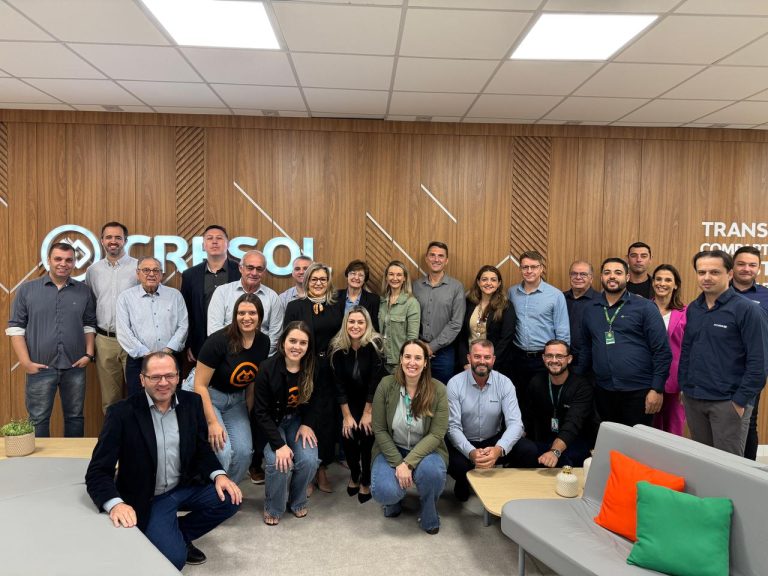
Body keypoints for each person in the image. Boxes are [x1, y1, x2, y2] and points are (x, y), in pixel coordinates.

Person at [85, 352, 241, 570]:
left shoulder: (192, 403)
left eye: (169, 376)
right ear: (142, 380)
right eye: (155, 377)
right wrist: (115, 505)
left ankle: (178, 533)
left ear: (178, 377)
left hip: (184, 486)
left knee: (231, 497)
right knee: (174, 560)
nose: (163, 383)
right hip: (150, 497)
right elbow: (98, 471)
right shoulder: (121, 414)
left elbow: (201, 449)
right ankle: (168, 535)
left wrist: (219, 475)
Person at [679, 250, 767, 456]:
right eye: (702, 272)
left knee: (728, 466)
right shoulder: (694, 308)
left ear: (729, 274)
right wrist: (684, 386)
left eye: (714, 272)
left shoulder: (748, 310)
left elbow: (759, 362)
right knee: (703, 461)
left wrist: (740, 401)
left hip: (728, 403)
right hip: (694, 398)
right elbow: (687, 350)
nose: (707, 277)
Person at [7, 242, 96, 437]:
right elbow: (15, 329)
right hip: (40, 367)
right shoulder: (27, 290)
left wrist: (89, 354)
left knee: (75, 417)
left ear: (74, 263)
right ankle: (40, 458)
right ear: (48, 260)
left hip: (75, 366)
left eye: (69, 260)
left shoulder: (84, 291)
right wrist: (26, 362)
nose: (63, 263)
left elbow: (89, 325)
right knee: (38, 419)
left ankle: (73, 456)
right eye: (58, 259)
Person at [576, 257, 671, 427]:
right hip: (603, 391)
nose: (612, 276)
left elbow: (662, 351)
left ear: (627, 277)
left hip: (639, 391)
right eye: (607, 272)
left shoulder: (645, 307)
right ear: (601, 277)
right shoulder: (590, 309)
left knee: (637, 441)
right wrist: (577, 380)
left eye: (618, 272)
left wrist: (657, 389)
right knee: (610, 438)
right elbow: (586, 348)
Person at [371, 339, 448, 535]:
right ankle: (394, 500)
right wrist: (399, 463)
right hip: (392, 448)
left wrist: (408, 463)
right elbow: (379, 429)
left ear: (425, 363)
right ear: (400, 359)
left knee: (432, 473)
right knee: (385, 492)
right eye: (407, 357)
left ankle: (429, 512)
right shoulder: (386, 385)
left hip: (427, 451)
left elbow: (437, 434)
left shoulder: (438, 389)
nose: (412, 362)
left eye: (418, 358)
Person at [192, 294, 270, 484]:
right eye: (241, 313)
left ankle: (228, 492)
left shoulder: (263, 342)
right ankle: (211, 494)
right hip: (210, 396)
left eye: (252, 313)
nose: (246, 317)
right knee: (223, 451)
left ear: (260, 316)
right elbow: (199, 385)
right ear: (235, 315)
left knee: (244, 453)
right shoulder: (218, 341)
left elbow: (252, 381)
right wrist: (212, 422)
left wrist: (250, 415)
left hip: (236, 400)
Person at [446, 339, 536, 502]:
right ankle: (463, 480)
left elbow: (516, 424)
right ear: (469, 358)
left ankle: (506, 481)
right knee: (456, 464)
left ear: (493, 360)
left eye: (487, 357)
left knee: (528, 450)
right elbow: (453, 428)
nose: (482, 361)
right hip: (466, 440)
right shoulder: (454, 384)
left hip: (493, 440)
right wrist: (471, 452)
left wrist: (498, 449)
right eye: (477, 356)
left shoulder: (505, 383)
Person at [284, 262, 344, 493]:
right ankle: (306, 472)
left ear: (328, 282)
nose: (318, 283)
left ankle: (322, 469)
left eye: (323, 279)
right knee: (306, 417)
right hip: (303, 369)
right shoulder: (295, 306)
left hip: (329, 369)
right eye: (314, 279)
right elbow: (288, 339)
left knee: (327, 420)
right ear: (306, 280)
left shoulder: (337, 306)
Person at [252, 322, 320, 525]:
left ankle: (297, 501)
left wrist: (307, 424)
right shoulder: (267, 368)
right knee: (279, 462)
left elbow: (318, 400)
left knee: (309, 460)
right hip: (271, 424)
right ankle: (273, 507)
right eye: (292, 341)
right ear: (283, 343)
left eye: (303, 343)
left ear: (308, 346)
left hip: (297, 421)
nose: (297, 347)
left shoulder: (313, 367)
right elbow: (260, 412)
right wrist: (279, 444)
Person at [329, 306, 387, 504]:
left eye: (360, 322)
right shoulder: (337, 347)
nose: (355, 326)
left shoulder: (375, 345)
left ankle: (366, 479)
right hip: (348, 400)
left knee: (366, 434)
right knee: (348, 435)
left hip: (371, 399)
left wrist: (368, 412)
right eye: (351, 321)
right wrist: (347, 416)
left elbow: (375, 381)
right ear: (346, 324)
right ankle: (354, 474)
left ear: (367, 324)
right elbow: (338, 384)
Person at [507, 250, 570, 421]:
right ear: (520, 269)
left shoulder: (555, 295)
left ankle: (542, 434)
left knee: (543, 402)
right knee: (519, 399)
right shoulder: (512, 293)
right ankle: (521, 432)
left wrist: (560, 359)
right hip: (517, 357)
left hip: (544, 358)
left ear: (541, 268)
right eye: (525, 267)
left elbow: (562, 330)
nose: (529, 271)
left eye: (534, 267)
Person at [85, 221, 138, 413]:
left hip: (134, 339)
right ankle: (113, 433)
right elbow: (90, 305)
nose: (113, 241)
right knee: (110, 400)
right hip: (105, 341)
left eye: (118, 237)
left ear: (125, 240)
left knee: (138, 396)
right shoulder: (93, 271)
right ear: (102, 241)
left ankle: (136, 433)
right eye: (108, 237)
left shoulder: (139, 267)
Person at [116, 256, 188, 397]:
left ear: (161, 275)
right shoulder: (125, 298)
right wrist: (146, 354)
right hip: (139, 361)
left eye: (156, 270)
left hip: (171, 358)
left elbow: (183, 326)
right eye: (146, 270)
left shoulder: (175, 295)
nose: (151, 274)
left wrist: (168, 350)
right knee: (138, 402)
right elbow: (124, 331)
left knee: (171, 400)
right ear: (138, 273)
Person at [527, 340, 595, 468]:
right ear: (543, 358)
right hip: (545, 440)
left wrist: (555, 451)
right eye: (549, 356)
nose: (554, 360)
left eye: (559, 356)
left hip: (573, 441)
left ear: (569, 359)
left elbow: (573, 423)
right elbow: (528, 417)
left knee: (565, 460)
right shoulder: (536, 382)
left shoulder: (582, 386)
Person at [180, 225, 241, 363]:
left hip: (236, 342)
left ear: (227, 244)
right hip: (201, 344)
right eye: (209, 238)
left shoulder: (241, 272)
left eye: (219, 238)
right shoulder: (190, 275)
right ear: (203, 245)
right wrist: (189, 344)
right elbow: (186, 313)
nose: (214, 242)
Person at [731, 245, 768, 460]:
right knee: (719, 419)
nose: (746, 269)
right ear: (732, 266)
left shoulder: (765, 296)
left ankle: (747, 470)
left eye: (752, 265)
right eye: (741, 264)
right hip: (718, 368)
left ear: (759, 268)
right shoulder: (719, 292)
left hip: (751, 369)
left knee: (749, 420)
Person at [207, 249, 284, 355]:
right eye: (250, 268)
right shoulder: (222, 292)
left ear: (264, 272)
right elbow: (214, 331)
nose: (254, 273)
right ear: (241, 268)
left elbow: (275, 337)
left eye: (259, 269)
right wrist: (235, 356)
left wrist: (257, 356)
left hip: (260, 358)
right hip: (226, 356)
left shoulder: (273, 297)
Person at [412, 241, 465, 384]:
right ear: (426, 258)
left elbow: (456, 323)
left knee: (442, 391)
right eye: (432, 255)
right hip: (417, 349)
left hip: (444, 353)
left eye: (441, 256)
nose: (436, 259)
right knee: (416, 389)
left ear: (446, 260)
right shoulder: (415, 286)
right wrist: (420, 345)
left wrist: (432, 347)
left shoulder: (456, 287)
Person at [457, 265, 516, 378]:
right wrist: (465, 362)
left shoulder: (506, 306)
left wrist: (489, 363)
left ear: (499, 283)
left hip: (495, 365)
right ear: (478, 282)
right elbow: (462, 336)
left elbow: (506, 339)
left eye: (493, 280)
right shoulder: (468, 303)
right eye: (484, 279)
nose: (488, 283)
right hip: (469, 363)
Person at [650, 264, 687, 436]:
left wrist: (686, 384)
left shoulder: (686, 312)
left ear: (676, 285)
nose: (662, 283)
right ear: (653, 282)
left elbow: (690, 350)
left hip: (675, 382)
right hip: (647, 379)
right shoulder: (642, 309)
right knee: (649, 432)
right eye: (658, 279)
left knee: (674, 432)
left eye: (667, 280)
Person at [379, 260, 420, 373]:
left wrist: (405, 360)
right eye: (391, 274)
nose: (395, 278)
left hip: (399, 362)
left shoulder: (411, 303)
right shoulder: (382, 301)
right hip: (381, 359)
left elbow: (412, 338)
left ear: (404, 278)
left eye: (399, 275)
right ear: (386, 277)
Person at [563, 260, 597, 367]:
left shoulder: (601, 301)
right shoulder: (560, 298)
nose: (578, 277)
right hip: (562, 359)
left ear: (591, 278)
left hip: (591, 361)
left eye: (583, 274)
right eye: (574, 273)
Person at [337, 259, 380, 331]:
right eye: (353, 273)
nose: (356, 278)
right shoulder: (335, 296)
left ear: (364, 279)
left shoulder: (373, 300)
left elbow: (374, 327)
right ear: (347, 275)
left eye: (360, 275)